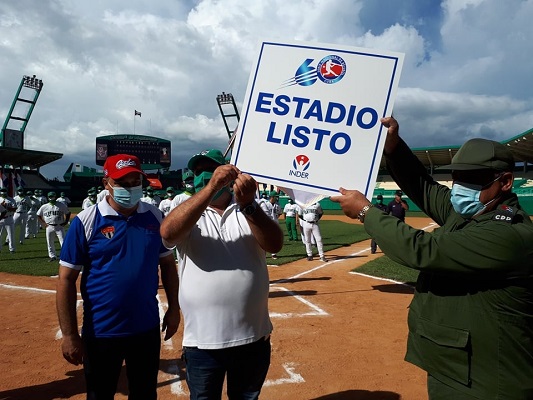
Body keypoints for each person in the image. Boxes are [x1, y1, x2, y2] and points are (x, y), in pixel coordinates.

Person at [331, 116, 533, 399]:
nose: (461, 186)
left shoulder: (508, 234)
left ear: (506, 182)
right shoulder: (468, 212)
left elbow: (423, 249)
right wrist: (393, 147)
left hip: (488, 383)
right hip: (457, 369)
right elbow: (424, 187)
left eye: (473, 179)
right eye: (457, 177)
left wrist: (366, 212)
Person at [160, 148, 283, 400]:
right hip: (202, 343)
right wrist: (210, 188)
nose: (204, 175)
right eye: (198, 172)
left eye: (211, 169)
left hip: (253, 338)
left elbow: (274, 244)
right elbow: (168, 234)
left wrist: (248, 205)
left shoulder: (251, 205)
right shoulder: (187, 208)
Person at [56, 154, 180, 400]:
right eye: (122, 182)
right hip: (101, 331)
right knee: (100, 394)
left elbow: (168, 265)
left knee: (145, 394)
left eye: (136, 182)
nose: (130, 188)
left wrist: (174, 308)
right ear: (106, 183)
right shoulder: (86, 221)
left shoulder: (155, 217)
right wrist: (69, 335)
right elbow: (66, 279)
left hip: (145, 328)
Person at [37, 191, 71, 262]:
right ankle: (52, 256)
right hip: (49, 226)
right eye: (50, 196)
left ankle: (66, 256)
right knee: (50, 242)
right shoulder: (44, 206)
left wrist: (65, 222)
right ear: (48, 197)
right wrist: (43, 223)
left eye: (52, 196)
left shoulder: (61, 205)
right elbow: (38, 215)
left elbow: (68, 213)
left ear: (55, 197)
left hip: (59, 226)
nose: (51, 198)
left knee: (63, 242)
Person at [0, 187, 17, 253]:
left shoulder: (11, 200)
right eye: (2, 191)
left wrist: (6, 207)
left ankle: (12, 249)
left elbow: (14, 209)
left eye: (4, 191)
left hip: (9, 218)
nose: (3, 192)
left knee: (11, 235)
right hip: (0, 219)